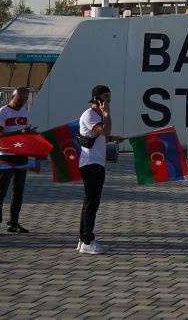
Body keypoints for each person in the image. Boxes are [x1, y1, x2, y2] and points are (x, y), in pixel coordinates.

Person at [77, 85, 122, 254]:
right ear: (96, 99)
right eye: (105, 98)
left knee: (90, 202)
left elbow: (101, 135)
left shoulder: (96, 115)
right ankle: (87, 241)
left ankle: (83, 238)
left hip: (96, 163)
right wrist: (107, 113)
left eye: (109, 98)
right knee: (91, 203)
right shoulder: (90, 115)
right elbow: (105, 130)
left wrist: (111, 138)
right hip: (91, 164)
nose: (108, 101)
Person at [0, 86, 36, 236]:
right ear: (12, 96)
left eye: (24, 100)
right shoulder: (2, 113)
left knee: (18, 191)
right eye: (19, 100)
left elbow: (25, 131)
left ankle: (14, 223)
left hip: (21, 154)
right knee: (1, 190)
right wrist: (19, 132)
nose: (21, 103)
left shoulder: (24, 111)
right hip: (5, 155)